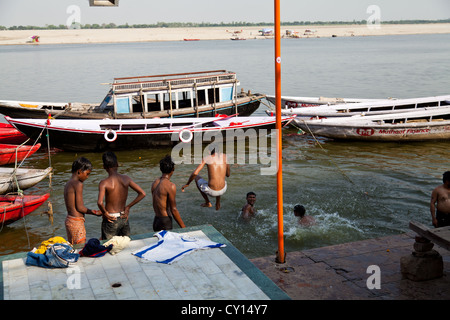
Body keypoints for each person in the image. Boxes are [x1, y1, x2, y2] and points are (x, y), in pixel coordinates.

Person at [97, 151, 146, 240]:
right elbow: (142, 193)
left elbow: (100, 203)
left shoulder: (104, 183)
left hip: (111, 218)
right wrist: (128, 207)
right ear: (118, 164)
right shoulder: (126, 178)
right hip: (123, 217)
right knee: (125, 243)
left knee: (108, 245)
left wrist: (104, 213)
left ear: (104, 167)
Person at [64, 157, 102, 245]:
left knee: (73, 248)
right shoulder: (78, 184)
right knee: (80, 248)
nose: (87, 177)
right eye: (87, 174)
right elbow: (80, 207)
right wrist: (95, 212)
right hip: (76, 222)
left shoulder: (68, 183)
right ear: (79, 171)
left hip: (69, 220)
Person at [181, 145, 230, 210]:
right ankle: (218, 203)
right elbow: (228, 175)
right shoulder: (225, 156)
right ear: (219, 151)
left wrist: (187, 184)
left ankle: (207, 202)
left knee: (196, 177)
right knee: (220, 177)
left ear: (209, 152)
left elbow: (195, 173)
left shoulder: (207, 158)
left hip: (212, 191)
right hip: (223, 189)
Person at [151, 155, 186, 231]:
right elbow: (173, 210)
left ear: (161, 169)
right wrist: (184, 228)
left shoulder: (154, 183)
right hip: (165, 222)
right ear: (173, 169)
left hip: (156, 221)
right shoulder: (170, 186)